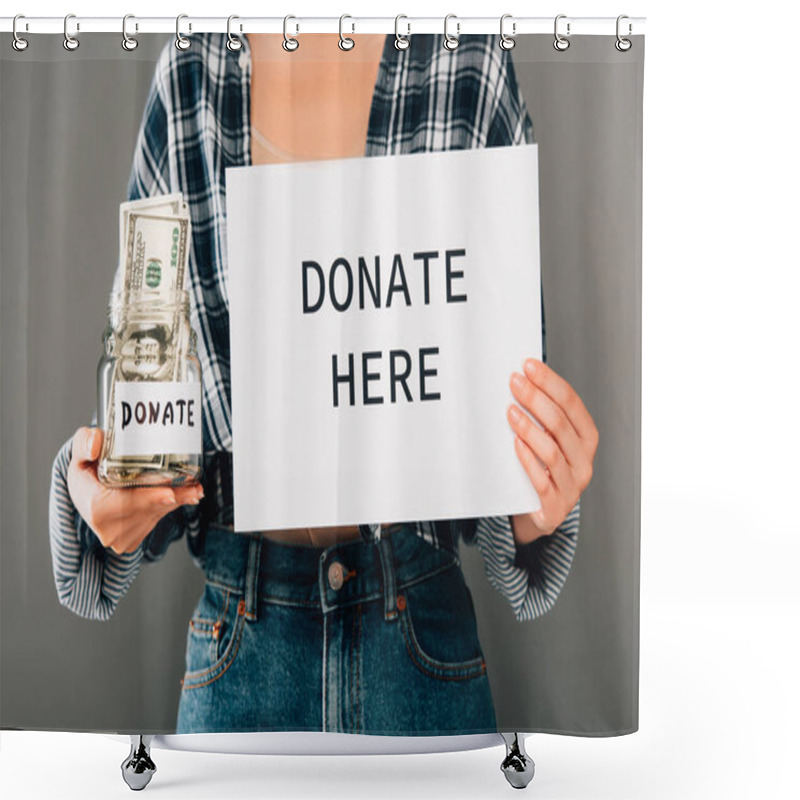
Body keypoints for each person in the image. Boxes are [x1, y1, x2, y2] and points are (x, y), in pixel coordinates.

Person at [49, 32, 598, 735]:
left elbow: (500, 416)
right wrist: (99, 489)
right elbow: (147, 412)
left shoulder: (469, 60)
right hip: (240, 639)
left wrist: (536, 490)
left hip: (420, 631)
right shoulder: (191, 71)